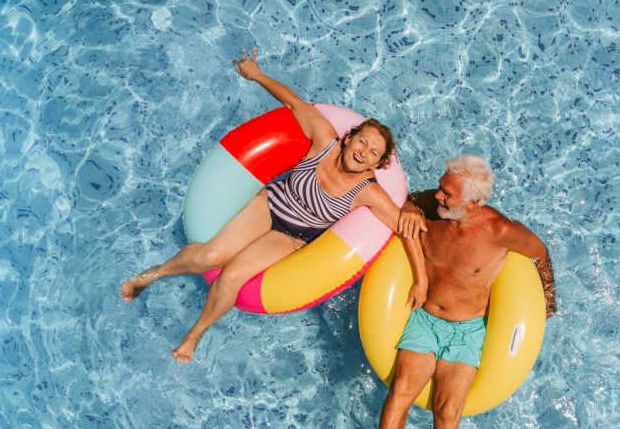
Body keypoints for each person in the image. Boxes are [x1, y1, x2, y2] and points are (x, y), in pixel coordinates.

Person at [121, 49, 411, 363]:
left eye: (373, 152)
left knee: (232, 276)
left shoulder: (369, 192)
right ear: (348, 138)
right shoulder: (325, 139)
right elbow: (295, 103)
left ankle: (194, 334)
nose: (364, 152)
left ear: (379, 163)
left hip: (292, 237)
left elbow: (404, 229)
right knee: (209, 256)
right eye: (362, 142)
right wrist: (256, 74)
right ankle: (154, 274)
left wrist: (418, 255)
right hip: (269, 205)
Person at [357, 154, 556, 429]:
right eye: (441, 187)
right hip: (425, 317)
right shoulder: (431, 207)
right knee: (400, 390)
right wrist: (413, 206)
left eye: (448, 194)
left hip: (467, 330)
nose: (439, 196)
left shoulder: (501, 231)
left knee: (448, 412)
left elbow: (540, 253)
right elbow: (409, 199)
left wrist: (547, 300)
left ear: (475, 202)